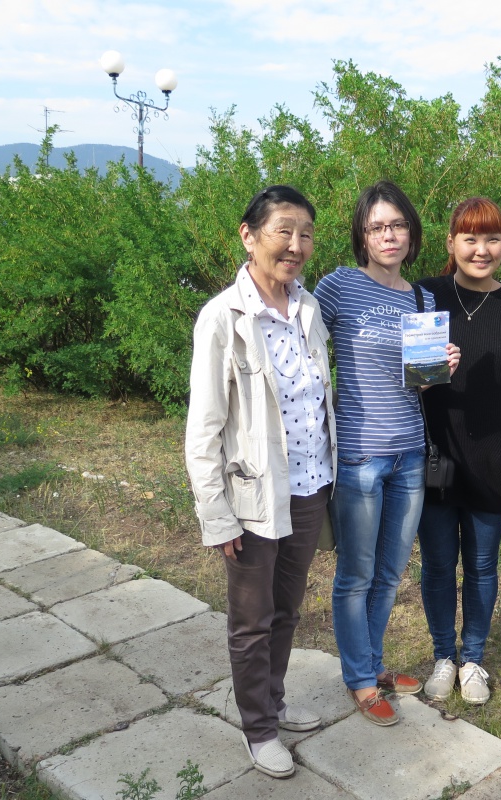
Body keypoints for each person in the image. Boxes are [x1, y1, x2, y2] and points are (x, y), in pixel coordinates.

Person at [184, 185, 335, 778]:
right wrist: (216, 514)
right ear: (249, 236)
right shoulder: (223, 317)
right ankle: (259, 728)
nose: (296, 245)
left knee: (287, 610)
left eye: (306, 234)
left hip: (310, 486)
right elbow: (204, 428)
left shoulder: (308, 308)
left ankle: (273, 700)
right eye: (284, 231)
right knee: (251, 622)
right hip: (252, 496)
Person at [313, 180, 460, 726]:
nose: (388, 235)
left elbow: (417, 383)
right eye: (376, 226)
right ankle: (358, 678)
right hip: (359, 457)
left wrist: (440, 368)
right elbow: (300, 339)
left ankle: (373, 665)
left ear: (412, 232)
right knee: (356, 574)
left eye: (397, 224)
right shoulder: (339, 287)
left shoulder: (422, 299)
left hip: (410, 456)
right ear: (362, 235)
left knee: (390, 572)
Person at [416, 197, 501, 705]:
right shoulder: (426, 296)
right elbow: (403, 378)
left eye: (492, 238)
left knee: (482, 567)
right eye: (470, 238)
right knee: (437, 566)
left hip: (495, 463)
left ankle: (473, 658)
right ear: (451, 242)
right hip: (435, 460)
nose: (481, 249)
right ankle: (443, 656)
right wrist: (424, 375)